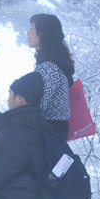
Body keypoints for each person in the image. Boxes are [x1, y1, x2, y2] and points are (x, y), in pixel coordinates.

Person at [28, 13, 75, 141]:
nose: (28, 32)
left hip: (48, 137)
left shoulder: (50, 68)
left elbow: (36, 106)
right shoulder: (52, 63)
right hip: (52, 135)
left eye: (31, 28)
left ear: (42, 33)